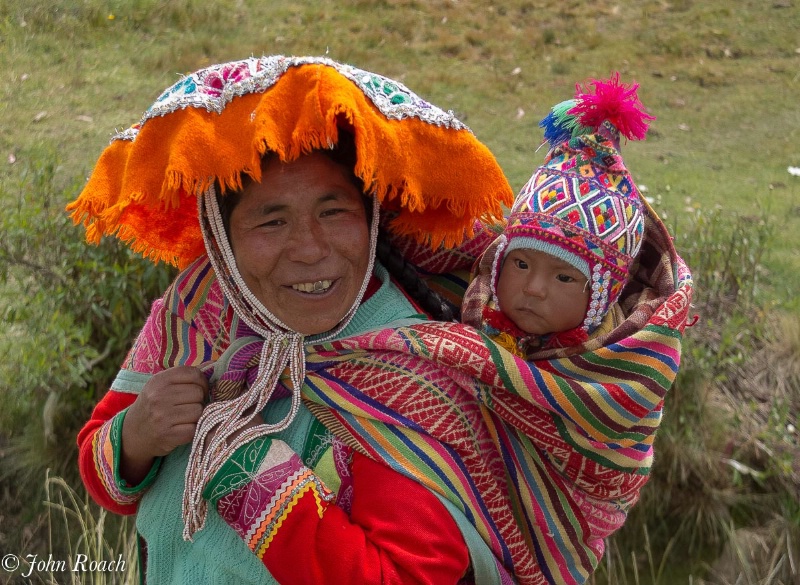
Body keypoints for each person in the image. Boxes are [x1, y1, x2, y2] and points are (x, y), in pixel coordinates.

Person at [69, 56, 694, 585]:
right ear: (221, 234)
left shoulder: (416, 369)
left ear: (370, 216)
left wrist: (251, 476)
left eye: (334, 212)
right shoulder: (199, 304)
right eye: (270, 219)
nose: (310, 249)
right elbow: (104, 472)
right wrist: (136, 435)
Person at [463, 74, 653, 358]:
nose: (534, 289)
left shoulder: (619, 375)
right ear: (499, 259)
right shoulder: (465, 319)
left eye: (564, 278)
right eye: (521, 263)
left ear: (602, 297)